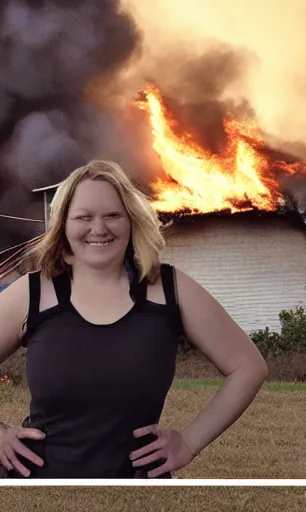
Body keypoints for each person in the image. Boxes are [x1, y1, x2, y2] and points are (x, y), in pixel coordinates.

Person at [0, 160, 268, 479]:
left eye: (112, 215)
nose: (98, 228)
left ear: (131, 220)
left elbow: (248, 368)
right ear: (64, 225)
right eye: (83, 217)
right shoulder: (32, 292)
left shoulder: (169, 289)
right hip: (42, 489)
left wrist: (188, 442)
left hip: (138, 492)